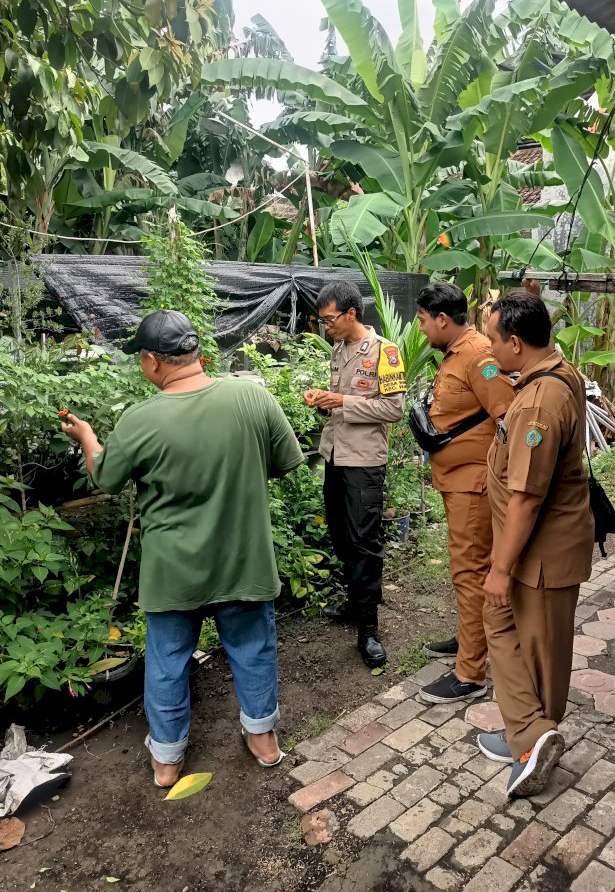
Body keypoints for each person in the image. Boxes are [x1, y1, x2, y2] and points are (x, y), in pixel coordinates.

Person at [61, 309, 304, 788]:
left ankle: (168, 761)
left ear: (152, 361)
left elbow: (105, 478)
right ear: (196, 353)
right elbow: (283, 462)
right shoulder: (252, 396)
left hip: (173, 571)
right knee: (254, 650)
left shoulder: (141, 419)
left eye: (140, 360)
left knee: (168, 661)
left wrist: (87, 436)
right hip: (243, 561)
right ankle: (263, 740)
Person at [476, 290, 594, 798]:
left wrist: (499, 569)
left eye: (494, 341)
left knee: (541, 649)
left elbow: (525, 497)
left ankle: (534, 747)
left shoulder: (541, 403)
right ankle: (528, 728)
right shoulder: (548, 371)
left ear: (518, 343)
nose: (490, 351)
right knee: (501, 624)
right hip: (529, 549)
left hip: (542, 554)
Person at [415, 283, 514, 704]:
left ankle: (471, 673)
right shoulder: (457, 354)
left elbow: (508, 415)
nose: (420, 330)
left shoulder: (479, 357)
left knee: (470, 572)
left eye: (422, 321)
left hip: (473, 486)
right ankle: (469, 639)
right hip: (456, 480)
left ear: (442, 319)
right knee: (467, 571)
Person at [303, 281, 406, 669]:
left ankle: (369, 629)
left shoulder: (385, 353)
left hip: (364, 462)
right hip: (335, 457)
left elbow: (393, 409)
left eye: (329, 319)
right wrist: (322, 402)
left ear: (351, 314)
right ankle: (353, 603)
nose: (325, 326)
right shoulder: (338, 350)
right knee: (341, 535)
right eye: (322, 320)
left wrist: (342, 401)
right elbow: (341, 406)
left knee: (364, 542)